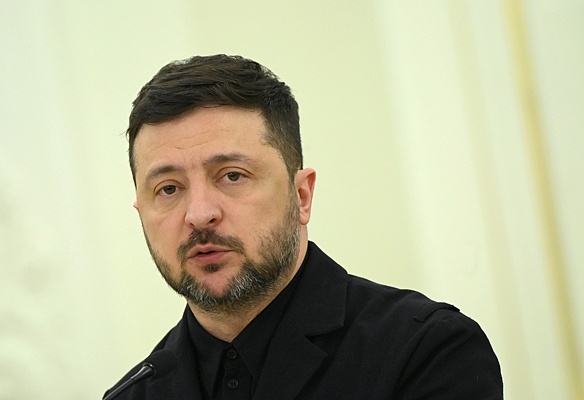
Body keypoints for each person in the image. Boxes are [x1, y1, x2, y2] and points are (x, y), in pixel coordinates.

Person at [104, 55, 503, 399]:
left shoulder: (425, 350)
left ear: (302, 195)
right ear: (141, 213)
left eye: (232, 176)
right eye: (168, 188)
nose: (199, 214)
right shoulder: (133, 394)